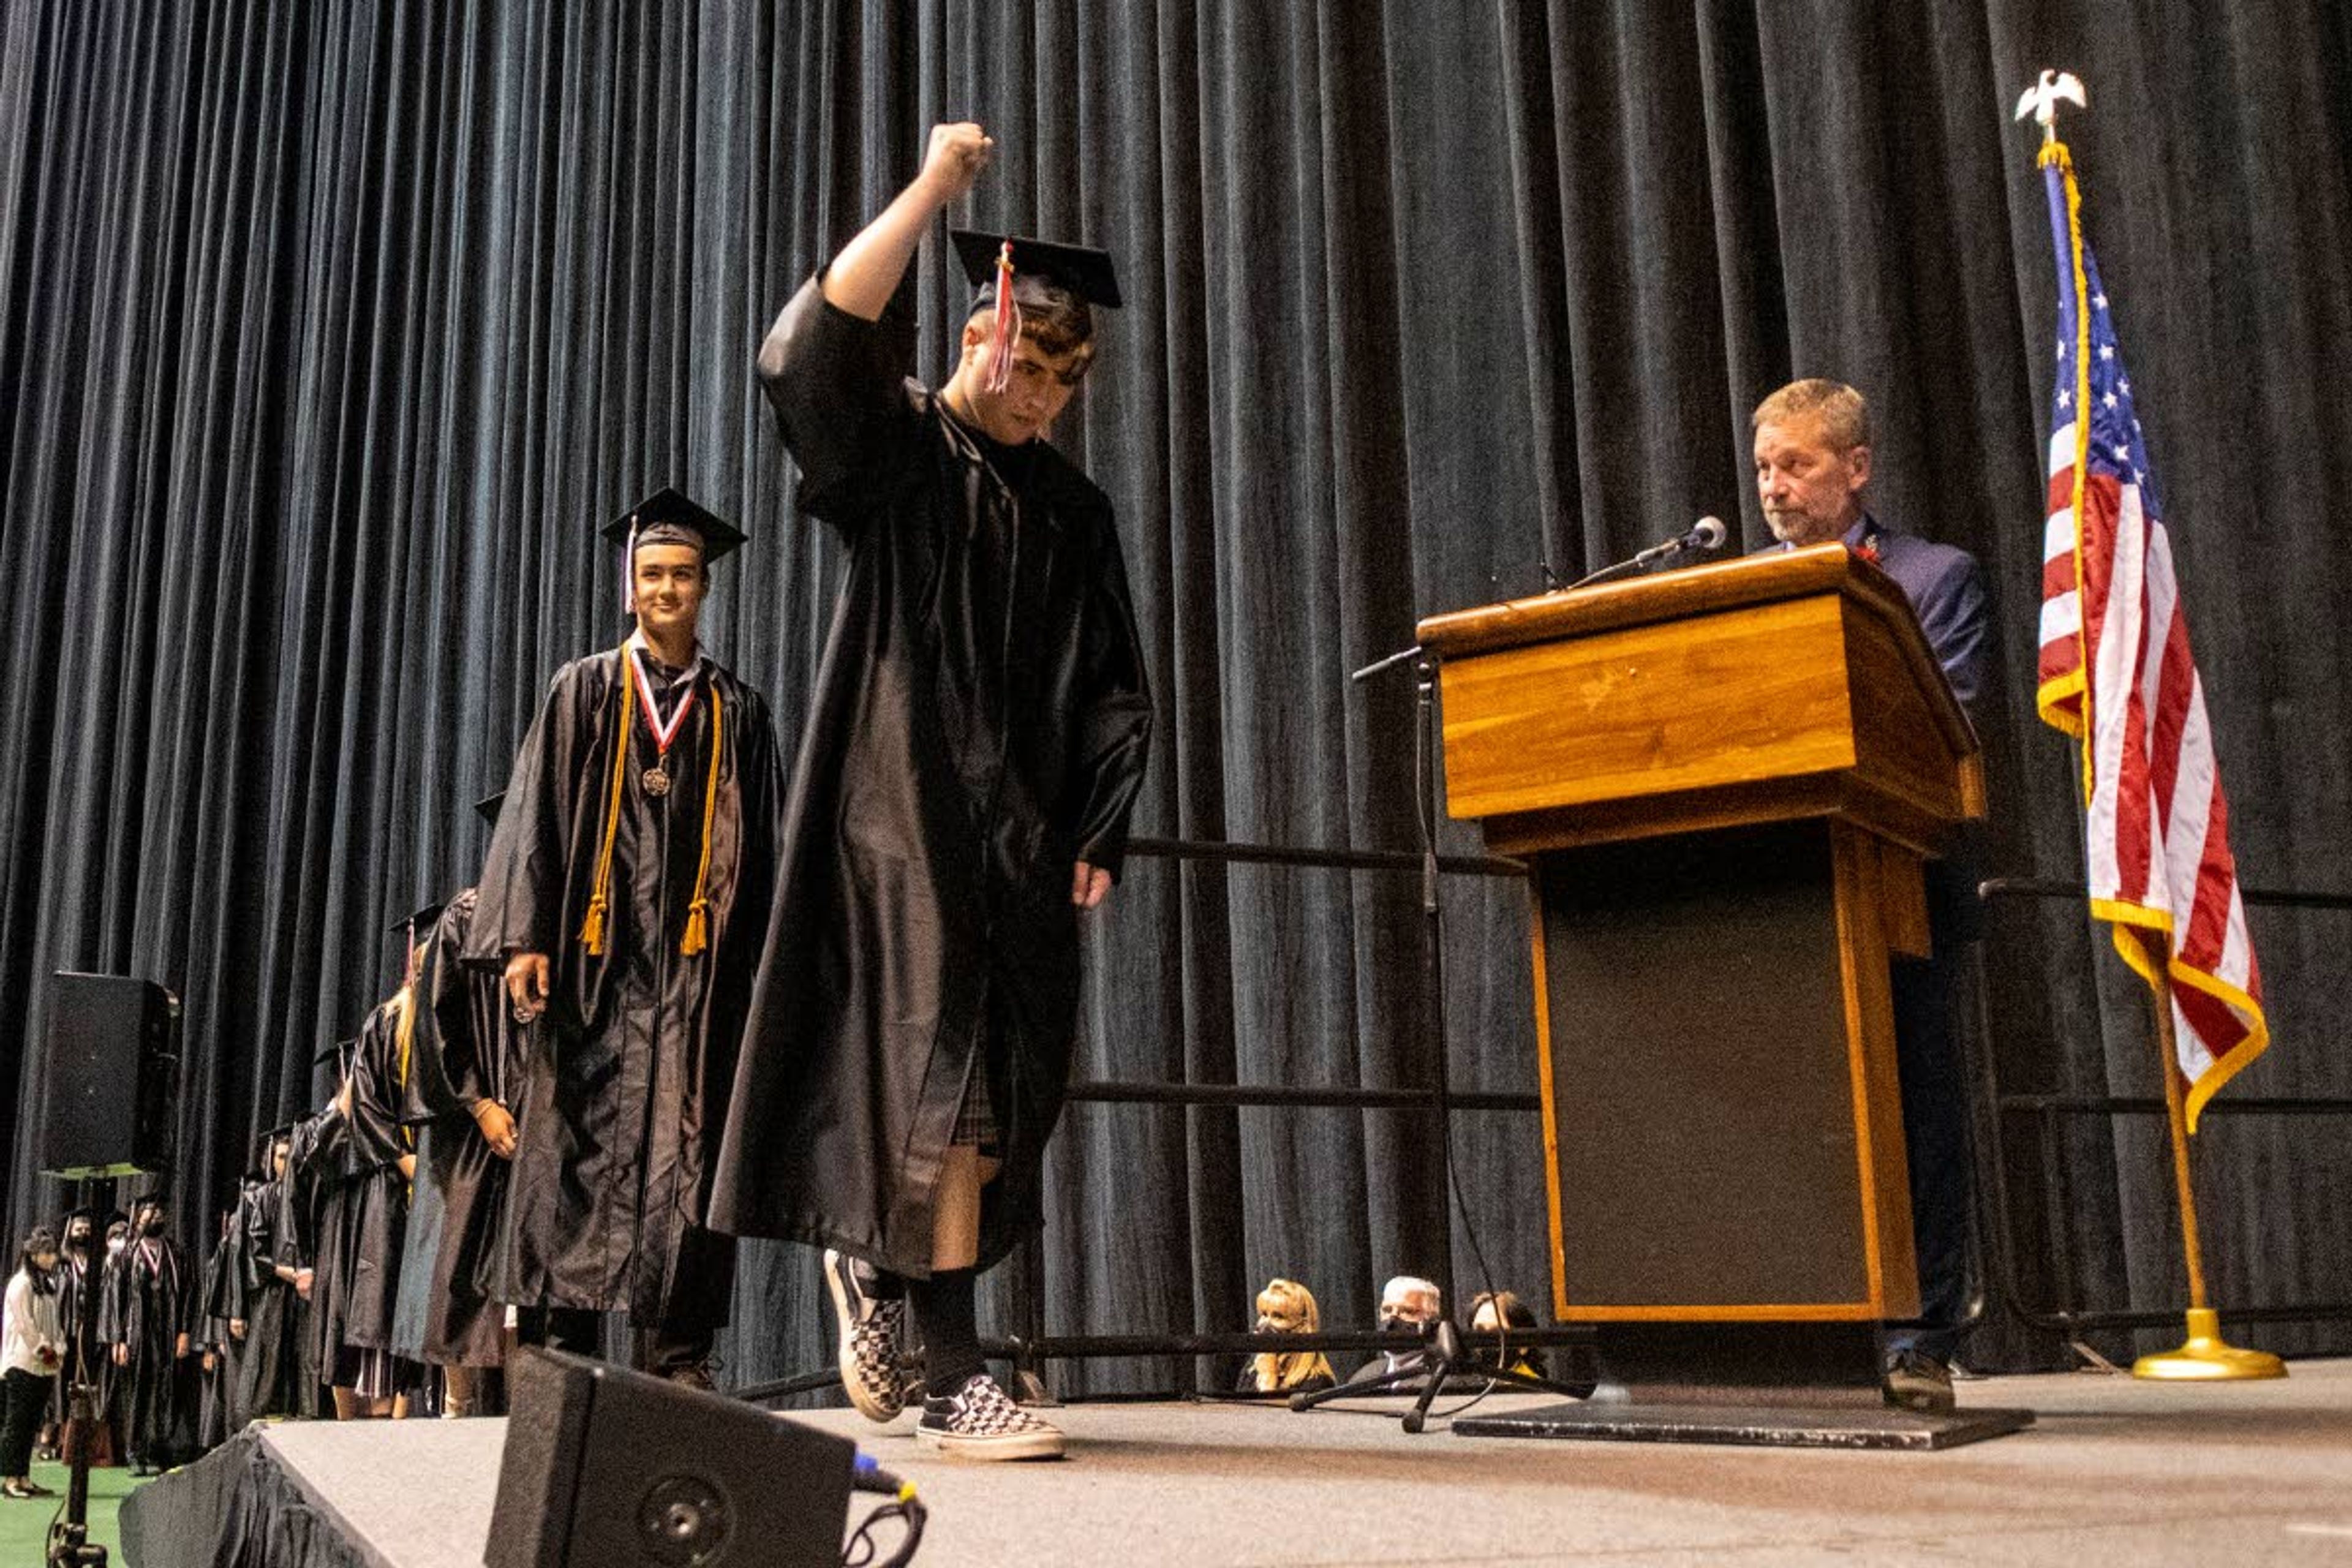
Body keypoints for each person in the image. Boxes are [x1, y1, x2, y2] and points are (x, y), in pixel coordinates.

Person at [713, 121, 1154, 1461]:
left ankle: (890, 1282)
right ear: (976, 342)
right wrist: (927, 193)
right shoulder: (901, 453)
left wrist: (1099, 819)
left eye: (1062, 387)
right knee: (945, 1074)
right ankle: (961, 1372)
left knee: (1003, 1094)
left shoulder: (1073, 512)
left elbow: (1116, 685)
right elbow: (804, 352)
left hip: (1015, 832)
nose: (1038, 402)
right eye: (1024, 372)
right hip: (895, 812)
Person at [470, 490, 783, 1387]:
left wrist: (758, 975)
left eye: (683, 575)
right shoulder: (583, 691)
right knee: (572, 1150)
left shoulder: (738, 711)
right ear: (629, 587)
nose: (667, 590)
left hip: (694, 982)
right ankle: (563, 1357)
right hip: (593, 975)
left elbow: (761, 853)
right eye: (653, 574)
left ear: (706, 588)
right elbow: (535, 821)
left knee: (687, 1163)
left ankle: (680, 1359)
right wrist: (526, 939)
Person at [1751, 377, 1991, 1412]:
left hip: (1897, 884)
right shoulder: (1739, 587)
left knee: (1914, 1115)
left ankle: (1918, 1337)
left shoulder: (1936, 579)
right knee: (1789, 1114)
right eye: (1765, 467)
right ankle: (1801, 1330)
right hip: (1774, 890)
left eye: (1796, 465)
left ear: (1856, 467)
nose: (1776, 487)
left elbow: (1946, 726)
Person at [395, 823, 527, 1415]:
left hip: (540, 1129)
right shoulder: (467, 916)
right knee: (463, 1268)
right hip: (474, 1127)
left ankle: (534, 1415)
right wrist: (480, 1105)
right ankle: (456, 1407)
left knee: (533, 1281)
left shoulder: (566, 914)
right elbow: (438, 1024)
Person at [97, 1196, 193, 1475]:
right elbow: (117, 1298)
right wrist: (118, 1340)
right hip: (136, 1334)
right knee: (137, 1392)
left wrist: (185, 1332)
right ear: (137, 1220)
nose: (155, 1219)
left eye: (159, 1214)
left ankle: (160, 1450)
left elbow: (188, 1294)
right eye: (149, 1215)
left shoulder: (177, 1253)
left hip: (167, 1334)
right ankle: (135, 1451)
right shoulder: (127, 1254)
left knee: (165, 1391)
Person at [2, 1229, 64, 1498]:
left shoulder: (46, 1285)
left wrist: (59, 1348)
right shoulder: (21, 1284)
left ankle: (24, 1476)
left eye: (53, 1252)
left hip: (44, 1366)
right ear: (34, 1255)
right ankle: (10, 1479)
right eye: (47, 1253)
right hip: (23, 1363)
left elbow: (56, 1324)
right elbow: (25, 1324)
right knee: (17, 1423)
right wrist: (43, 1349)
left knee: (31, 1424)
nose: (53, 1258)